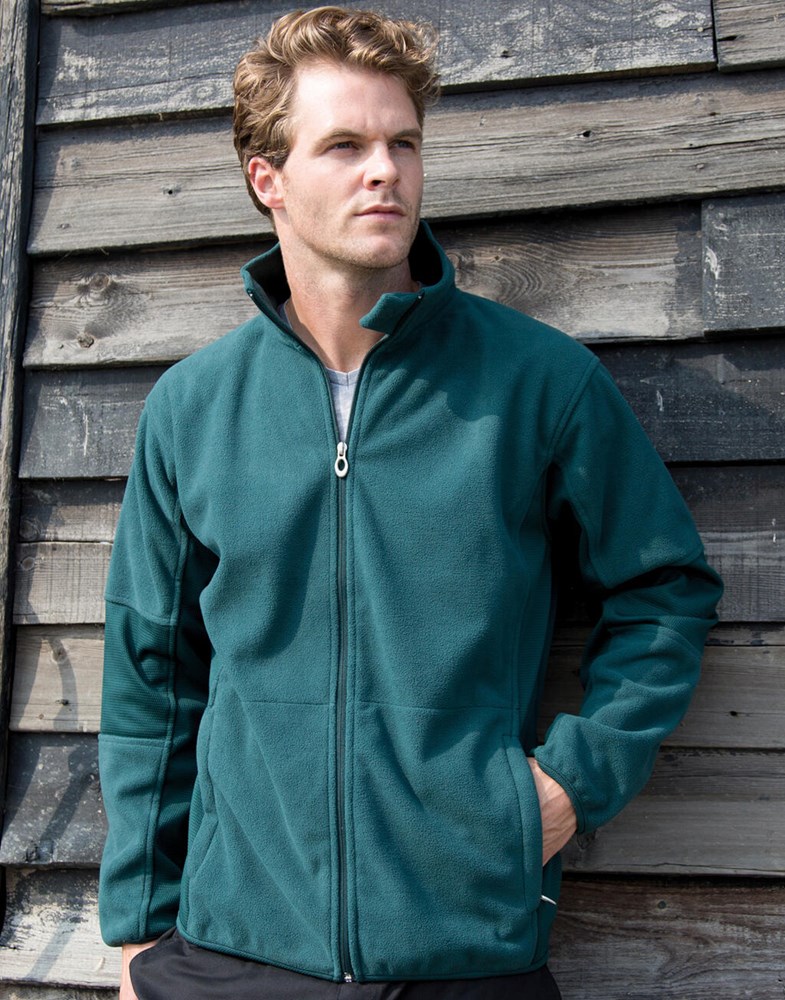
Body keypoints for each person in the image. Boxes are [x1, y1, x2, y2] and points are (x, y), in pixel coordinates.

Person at [97, 7, 723, 999]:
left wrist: (570, 784)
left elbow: (664, 590)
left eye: (403, 143)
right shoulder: (192, 408)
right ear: (267, 178)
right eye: (344, 145)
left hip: (462, 950)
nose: (383, 171)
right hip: (231, 952)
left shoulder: (536, 383)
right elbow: (151, 675)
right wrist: (137, 931)